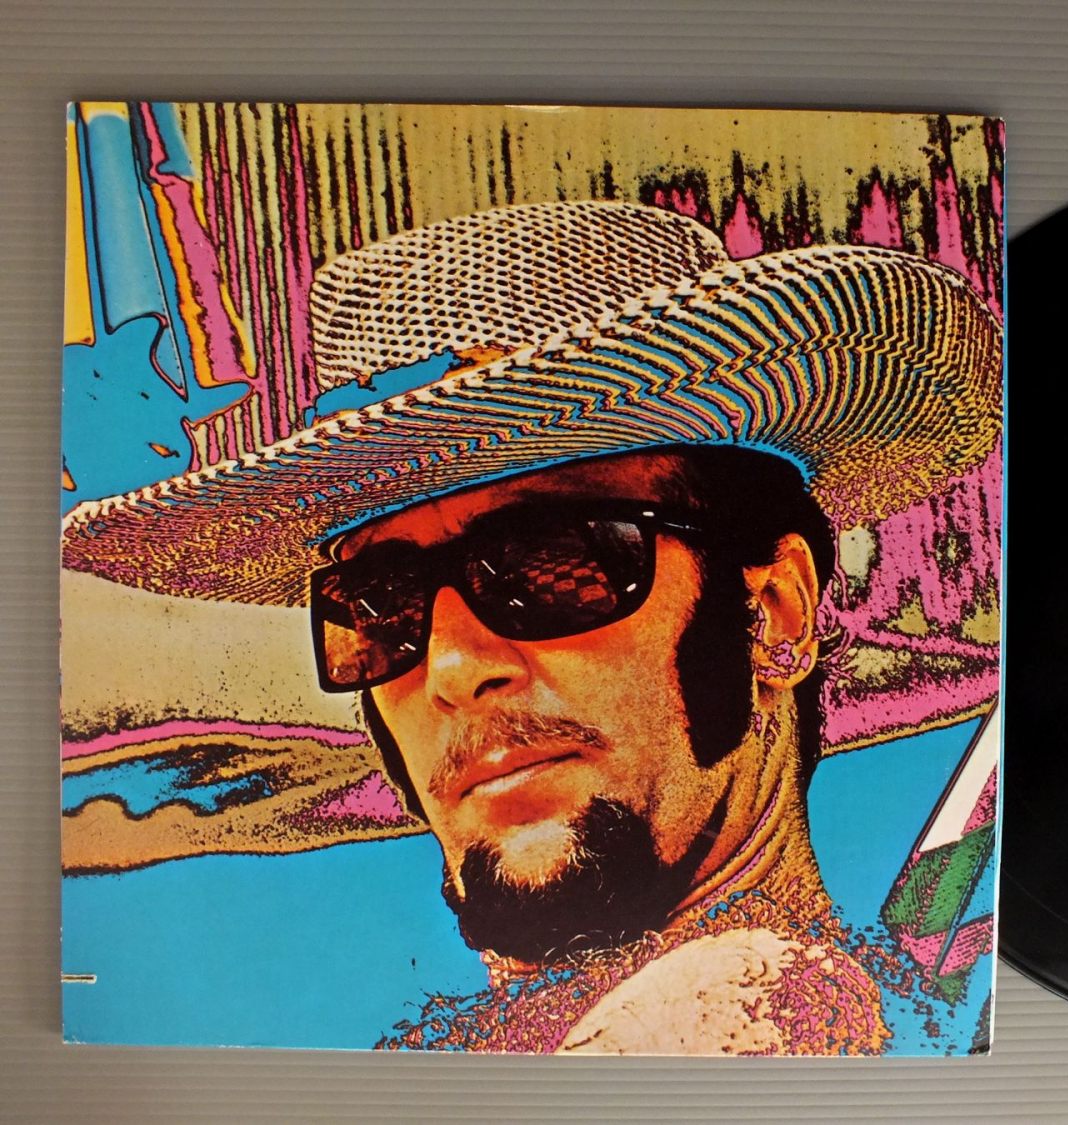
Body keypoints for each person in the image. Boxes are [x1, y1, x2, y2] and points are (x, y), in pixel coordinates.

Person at [61, 200, 1003, 1054]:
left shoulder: (740, 1007)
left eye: (554, 564)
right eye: (381, 607)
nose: (452, 666)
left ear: (771, 613)